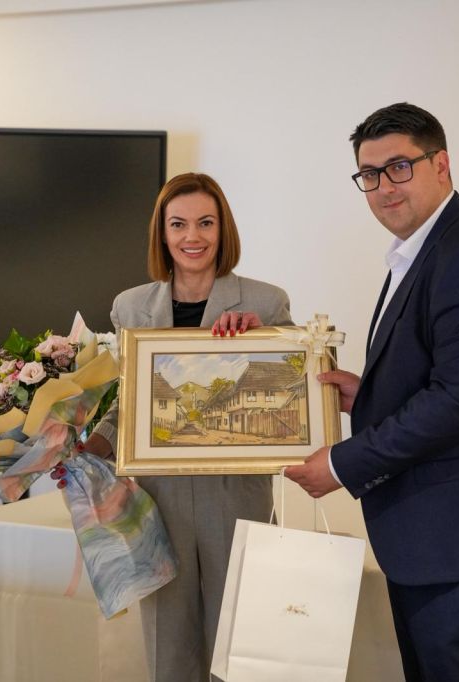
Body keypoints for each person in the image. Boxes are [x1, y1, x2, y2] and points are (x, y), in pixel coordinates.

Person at [285, 103, 459, 681]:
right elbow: (447, 377)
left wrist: (340, 464)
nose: (384, 187)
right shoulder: (427, 247)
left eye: (399, 167)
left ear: (441, 164)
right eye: (369, 174)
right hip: (440, 542)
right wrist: (368, 395)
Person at [81, 172, 292, 682]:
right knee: (168, 645)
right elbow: (129, 402)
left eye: (205, 223)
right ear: (162, 231)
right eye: (178, 224)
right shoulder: (131, 307)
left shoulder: (265, 302)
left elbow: (293, 390)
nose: (191, 236)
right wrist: (89, 445)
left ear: (223, 229)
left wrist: (262, 343)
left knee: (239, 643)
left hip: (236, 495)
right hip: (158, 499)